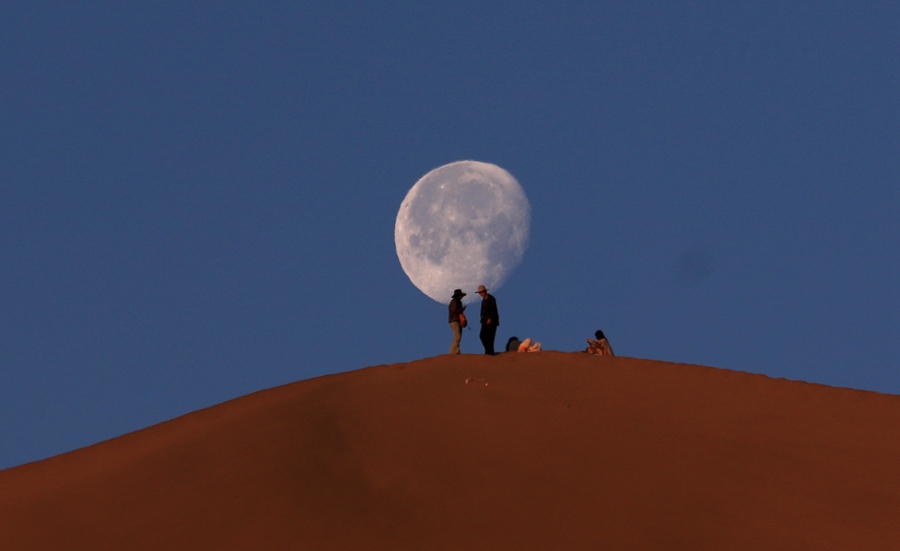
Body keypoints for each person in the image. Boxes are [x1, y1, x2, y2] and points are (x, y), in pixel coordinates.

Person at [476, 284, 499, 355]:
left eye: (482, 292)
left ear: (485, 291)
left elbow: (493, 310)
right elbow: (482, 313)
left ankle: (490, 352)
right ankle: (488, 351)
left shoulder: (491, 299)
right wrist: (482, 323)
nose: (481, 294)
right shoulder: (483, 301)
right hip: (485, 322)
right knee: (482, 336)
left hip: (492, 322)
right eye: (480, 293)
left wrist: (491, 318)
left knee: (490, 337)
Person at [448, 289, 466, 354]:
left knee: (458, 337)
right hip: (454, 320)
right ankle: (454, 352)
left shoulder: (457, 302)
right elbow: (454, 310)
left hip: (457, 320)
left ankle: (455, 351)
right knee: (457, 336)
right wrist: (461, 309)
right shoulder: (454, 301)